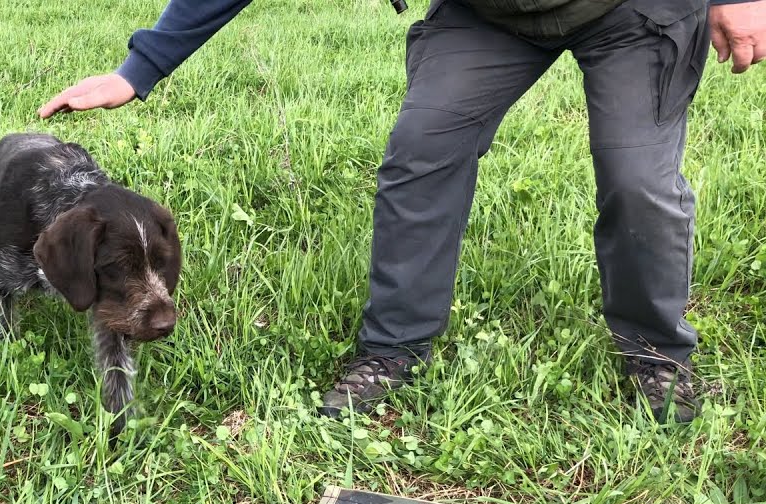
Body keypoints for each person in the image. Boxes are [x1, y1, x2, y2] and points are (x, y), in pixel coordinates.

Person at [37, 0, 766, 425]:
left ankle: (655, 352)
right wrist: (140, 68)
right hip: (494, 14)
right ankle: (392, 350)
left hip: (631, 11)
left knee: (637, 177)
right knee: (421, 152)